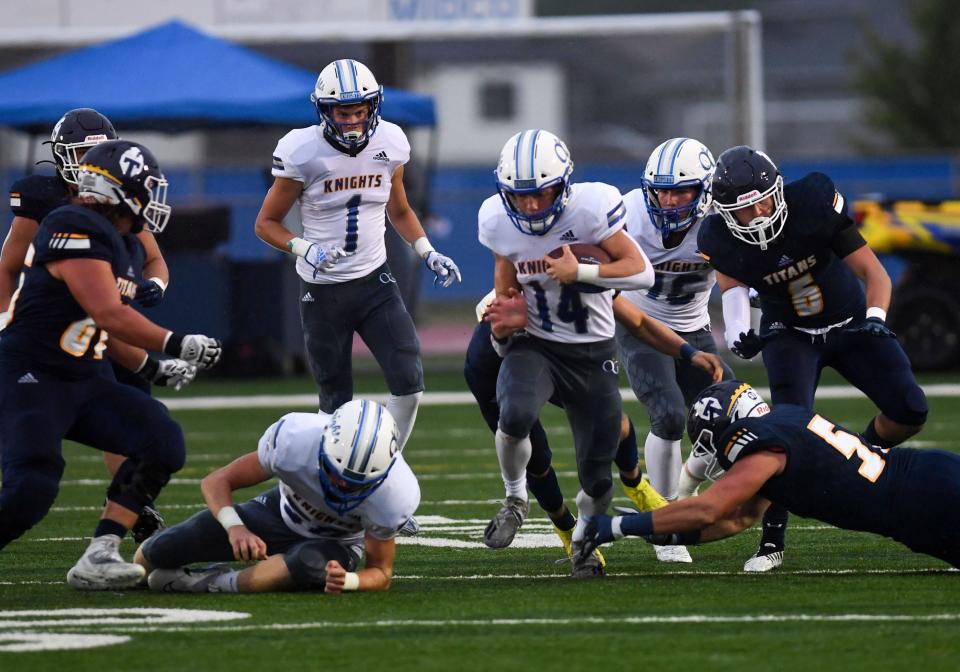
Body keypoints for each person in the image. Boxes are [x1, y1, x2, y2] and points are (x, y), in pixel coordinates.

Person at [0, 139, 222, 590]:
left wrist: (150, 369)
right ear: (120, 191)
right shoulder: (69, 222)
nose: (152, 198)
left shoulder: (116, 240)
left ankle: (101, 552)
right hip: (32, 374)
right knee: (33, 485)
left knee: (161, 440)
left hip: (81, 376)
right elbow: (107, 313)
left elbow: (96, 326)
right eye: (145, 188)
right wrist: (177, 344)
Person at [696, 146, 928, 572]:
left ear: (778, 189)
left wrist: (875, 318)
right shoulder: (718, 237)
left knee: (911, 409)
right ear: (726, 213)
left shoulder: (813, 202)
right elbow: (731, 289)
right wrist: (738, 330)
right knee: (785, 434)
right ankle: (771, 542)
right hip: (790, 336)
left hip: (851, 324)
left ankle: (859, 450)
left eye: (764, 200)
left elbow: (874, 273)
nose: (761, 213)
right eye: (746, 209)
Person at [254, 58, 460, 450]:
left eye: (359, 110)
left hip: (374, 283)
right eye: (342, 112)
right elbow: (266, 223)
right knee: (333, 407)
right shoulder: (302, 150)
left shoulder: (391, 142)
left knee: (409, 386)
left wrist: (427, 251)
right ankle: (329, 486)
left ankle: (382, 471)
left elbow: (399, 210)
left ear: (373, 107)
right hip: (324, 291)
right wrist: (303, 247)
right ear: (324, 111)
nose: (351, 120)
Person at [478, 128, 654, 578]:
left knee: (597, 476)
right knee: (513, 413)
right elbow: (506, 287)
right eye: (521, 197)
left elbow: (641, 273)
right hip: (535, 342)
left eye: (542, 194)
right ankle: (516, 497)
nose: (533, 206)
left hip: (592, 352)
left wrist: (584, 271)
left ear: (564, 185)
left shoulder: (592, 209)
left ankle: (584, 542)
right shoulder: (497, 219)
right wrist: (505, 325)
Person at [2, 107, 183, 542]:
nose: (88, 163)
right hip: (55, 331)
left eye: (96, 153)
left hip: (100, 330)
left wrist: (152, 284)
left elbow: (152, 260)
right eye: (82, 153)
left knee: (150, 429)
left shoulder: (120, 208)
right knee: (35, 474)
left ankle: (122, 517)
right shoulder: (54, 206)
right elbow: (9, 265)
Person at [580, 380, 959, 570]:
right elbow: (741, 518)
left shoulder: (764, 445)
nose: (713, 452)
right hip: (922, 488)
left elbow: (711, 508)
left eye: (710, 440)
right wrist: (668, 532)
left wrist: (618, 528)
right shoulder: (785, 419)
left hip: (925, 502)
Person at [466, 288, 725, 565]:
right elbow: (501, 331)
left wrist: (687, 352)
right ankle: (558, 526)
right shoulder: (532, 276)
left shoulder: (589, 268)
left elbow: (637, 317)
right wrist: (505, 329)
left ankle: (636, 485)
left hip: (567, 352)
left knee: (610, 425)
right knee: (534, 454)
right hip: (507, 360)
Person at [136, 399, 419, 594]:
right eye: (336, 474)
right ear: (323, 447)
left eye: (356, 484)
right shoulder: (294, 440)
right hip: (277, 513)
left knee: (309, 564)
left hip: (335, 542)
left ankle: (209, 582)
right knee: (154, 554)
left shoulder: (395, 494)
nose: (342, 488)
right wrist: (236, 528)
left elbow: (381, 573)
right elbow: (217, 481)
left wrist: (350, 580)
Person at [618, 137, 735, 563]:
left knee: (734, 418)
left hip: (694, 327)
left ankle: (689, 482)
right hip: (639, 325)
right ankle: (665, 518)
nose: (668, 200)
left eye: (680, 190)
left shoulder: (721, 220)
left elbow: (741, 279)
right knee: (667, 414)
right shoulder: (627, 213)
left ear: (704, 191)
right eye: (661, 190)